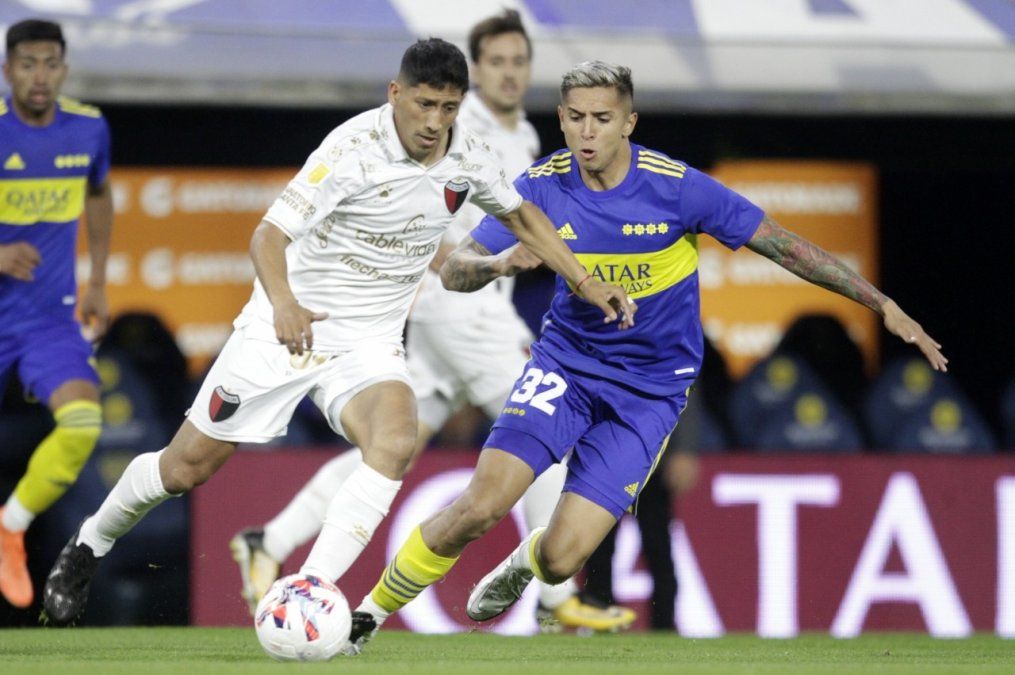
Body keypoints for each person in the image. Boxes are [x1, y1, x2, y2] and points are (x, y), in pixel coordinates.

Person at [341, 60, 948, 654]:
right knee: (480, 505)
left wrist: (880, 302)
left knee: (563, 558)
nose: (586, 132)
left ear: (629, 122)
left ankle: (527, 562)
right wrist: (499, 264)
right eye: (575, 118)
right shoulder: (540, 187)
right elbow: (453, 271)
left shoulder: (677, 188)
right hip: (564, 370)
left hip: (649, 394)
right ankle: (365, 616)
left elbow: (782, 245)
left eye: (602, 119)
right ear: (560, 118)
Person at [41, 38, 633, 628]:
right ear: (395, 94)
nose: (434, 122)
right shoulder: (351, 149)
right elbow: (267, 237)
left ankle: (310, 592)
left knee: (395, 441)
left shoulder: (468, 156)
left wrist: (583, 280)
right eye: (423, 104)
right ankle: (87, 546)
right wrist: (285, 305)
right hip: (290, 324)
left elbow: (522, 215)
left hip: (370, 340)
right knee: (184, 468)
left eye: (448, 107)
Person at [229, 11, 634, 634]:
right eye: (496, 63)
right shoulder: (450, 125)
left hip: (465, 314)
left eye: (518, 62)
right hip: (459, 310)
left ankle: (269, 537)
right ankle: (554, 601)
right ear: (472, 78)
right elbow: (429, 219)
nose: (509, 73)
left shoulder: (521, 133)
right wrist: (491, 263)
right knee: (547, 431)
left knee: (393, 445)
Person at [0, 19, 112, 610]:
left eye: (49, 64)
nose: (38, 76)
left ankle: (10, 525)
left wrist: (96, 279)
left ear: (63, 70)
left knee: (82, 424)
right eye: (26, 64)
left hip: (48, 322)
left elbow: (97, 193)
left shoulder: (89, 128)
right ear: (6, 70)